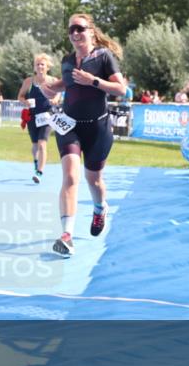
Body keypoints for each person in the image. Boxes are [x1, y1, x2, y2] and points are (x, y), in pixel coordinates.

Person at [39, 13, 127, 257]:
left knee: (94, 180)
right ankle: (66, 236)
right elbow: (66, 82)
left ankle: (100, 208)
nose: (75, 33)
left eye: (80, 28)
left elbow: (121, 89)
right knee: (70, 176)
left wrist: (94, 81)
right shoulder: (67, 60)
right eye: (71, 30)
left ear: (91, 31)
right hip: (69, 126)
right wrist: (50, 89)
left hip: (98, 128)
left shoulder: (103, 57)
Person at [17, 53, 59, 183]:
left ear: (47, 67)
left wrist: (55, 100)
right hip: (32, 116)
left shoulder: (53, 81)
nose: (40, 67)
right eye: (37, 64)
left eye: (42, 64)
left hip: (47, 116)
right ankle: (36, 162)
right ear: (34, 67)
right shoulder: (29, 81)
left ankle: (39, 172)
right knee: (35, 144)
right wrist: (25, 102)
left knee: (42, 144)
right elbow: (20, 97)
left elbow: (58, 94)